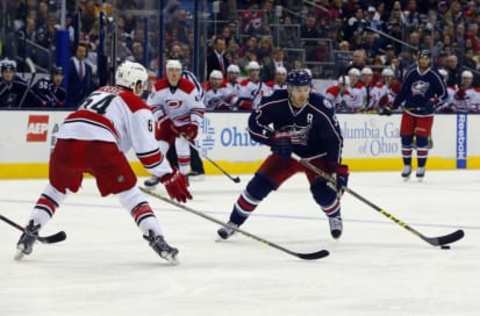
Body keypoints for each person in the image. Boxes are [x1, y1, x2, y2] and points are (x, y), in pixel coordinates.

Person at [15, 61, 191, 263]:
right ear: (135, 84)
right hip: (99, 145)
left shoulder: (98, 92)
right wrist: (167, 174)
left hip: (65, 140)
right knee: (130, 195)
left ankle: (29, 231)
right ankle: (157, 238)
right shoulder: (136, 104)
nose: (142, 89)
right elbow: (147, 152)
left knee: (55, 189)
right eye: (141, 84)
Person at [217, 69, 349, 240]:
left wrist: (336, 169)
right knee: (257, 187)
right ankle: (234, 222)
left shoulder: (321, 106)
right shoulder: (275, 100)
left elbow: (335, 139)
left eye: (305, 89)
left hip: (316, 155)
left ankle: (334, 216)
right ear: (289, 89)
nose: (302, 94)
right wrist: (274, 139)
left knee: (323, 193)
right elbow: (253, 124)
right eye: (298, 90)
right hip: (286, 154)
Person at [145, 60, 205, 187]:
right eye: (171, 70)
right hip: (166, 122)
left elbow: (198, 108)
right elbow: (153, 105)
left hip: (185, 122)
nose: (174, 74)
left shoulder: (189, 88)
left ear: (181, 72)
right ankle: (156, 175)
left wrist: (193, 127)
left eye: (177, 71)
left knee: (181, 144)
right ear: (166, 72)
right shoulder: (159, 86)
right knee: (160, 147)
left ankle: (184, 176)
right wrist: (163, 120)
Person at [393, 50, 448, 180]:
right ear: (418, 59)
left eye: (426, 59)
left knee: (422, 141)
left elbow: (444, 94)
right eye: (422, 58)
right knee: (405, 139)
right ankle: (407, 166)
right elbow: (403, 91)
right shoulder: (411, 73)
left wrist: (433, 102)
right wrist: (393, 105)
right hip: (409, 111)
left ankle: (421, 166)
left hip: (425, 114)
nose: (424, 61)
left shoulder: (435, 75)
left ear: (430, 60)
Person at [66, 42, 95, 107]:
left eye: (84, 51)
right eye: (80, 51)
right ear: (75, 51)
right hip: (70, 101)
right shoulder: (68, 64)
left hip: (83, 102)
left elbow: (89, 85)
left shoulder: (88, 68)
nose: (82, 53)